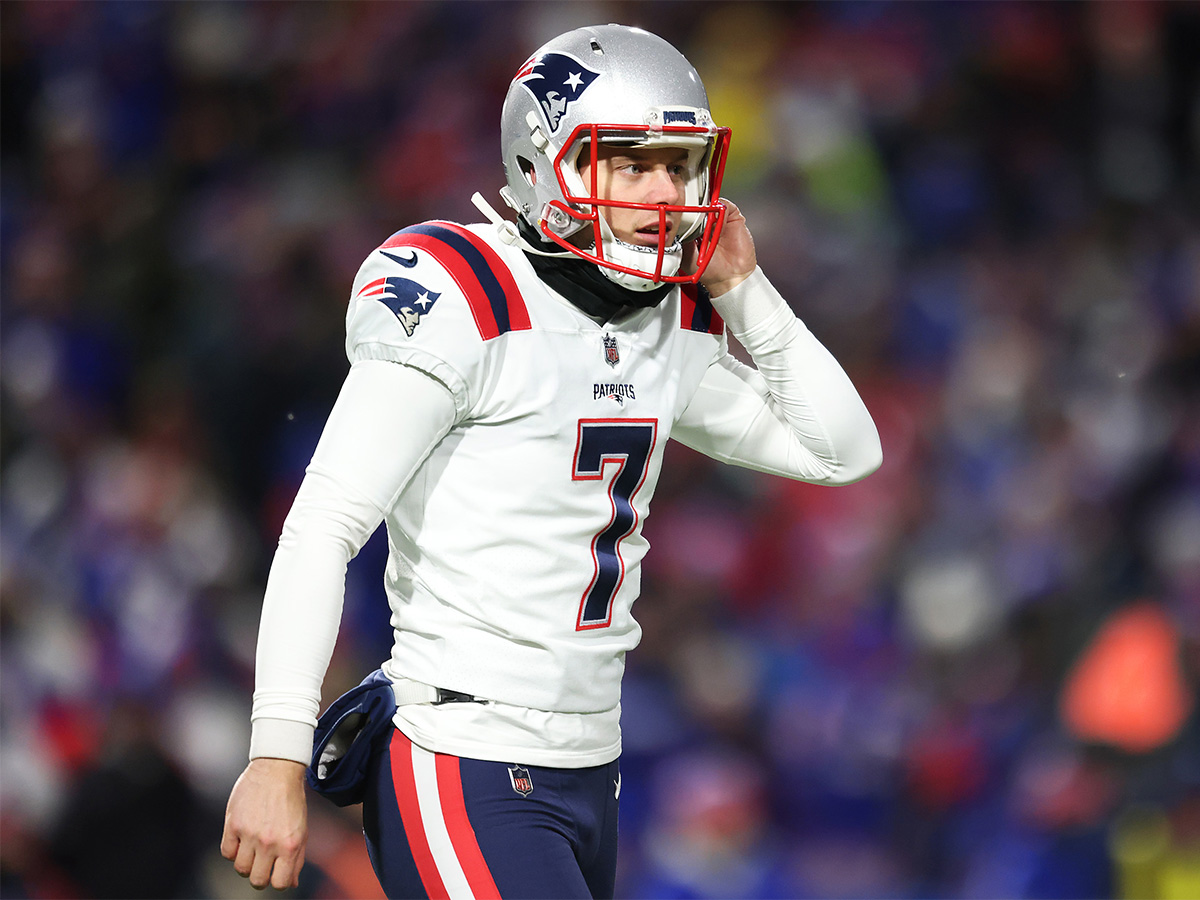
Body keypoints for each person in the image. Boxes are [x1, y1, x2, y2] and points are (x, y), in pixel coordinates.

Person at [221, 22, 882, 899]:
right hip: (464, 752)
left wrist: (746, 291)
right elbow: (321, 530)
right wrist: (276, 754)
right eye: (632, 163)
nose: (663, 192)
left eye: (679, 166)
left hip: (588, 762)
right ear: (545, 163)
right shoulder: (464, 298)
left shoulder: (667, 325)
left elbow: (840, 449)